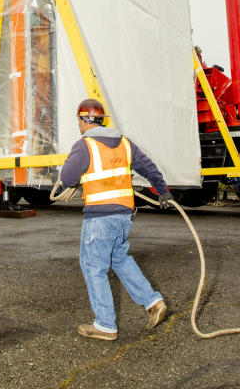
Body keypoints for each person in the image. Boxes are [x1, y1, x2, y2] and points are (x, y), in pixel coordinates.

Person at [59, 98, 173, 341]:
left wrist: (78, 178)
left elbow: (67, 178)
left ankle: (105, 325)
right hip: (123, 216)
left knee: (93, 267)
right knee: (119, 259)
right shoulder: (124, 143)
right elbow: (149, 167)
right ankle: (153, 302)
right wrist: (163, 191)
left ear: (82, 120)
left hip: (100, 218)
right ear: (101, 120)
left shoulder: (85, 146)